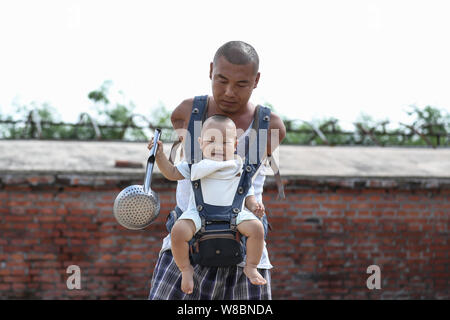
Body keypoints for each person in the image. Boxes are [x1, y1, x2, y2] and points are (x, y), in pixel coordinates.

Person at [148, 40, 286, 300]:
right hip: (187, 247)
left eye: (242, 84)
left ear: (256, 80)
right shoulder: (187, 113)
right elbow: (177, 171)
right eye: (222, 80)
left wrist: (253, 203)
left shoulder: (271, 126)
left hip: (245, 251)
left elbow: (248, 184)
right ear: (211, 70)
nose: (230, 92)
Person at [149, 114, 267, 294]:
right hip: (199, 213)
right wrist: (159, 156)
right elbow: (171, 173)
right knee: (178, 231)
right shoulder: (195, 165)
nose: (218, 147)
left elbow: (248, 193)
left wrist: (254, 206)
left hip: (233, 215)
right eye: (211, 141)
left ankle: (251, 266)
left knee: (257, 228)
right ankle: (185, 269)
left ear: (235, 145)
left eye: (225, 142)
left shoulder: (239, 168)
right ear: (200, 143)